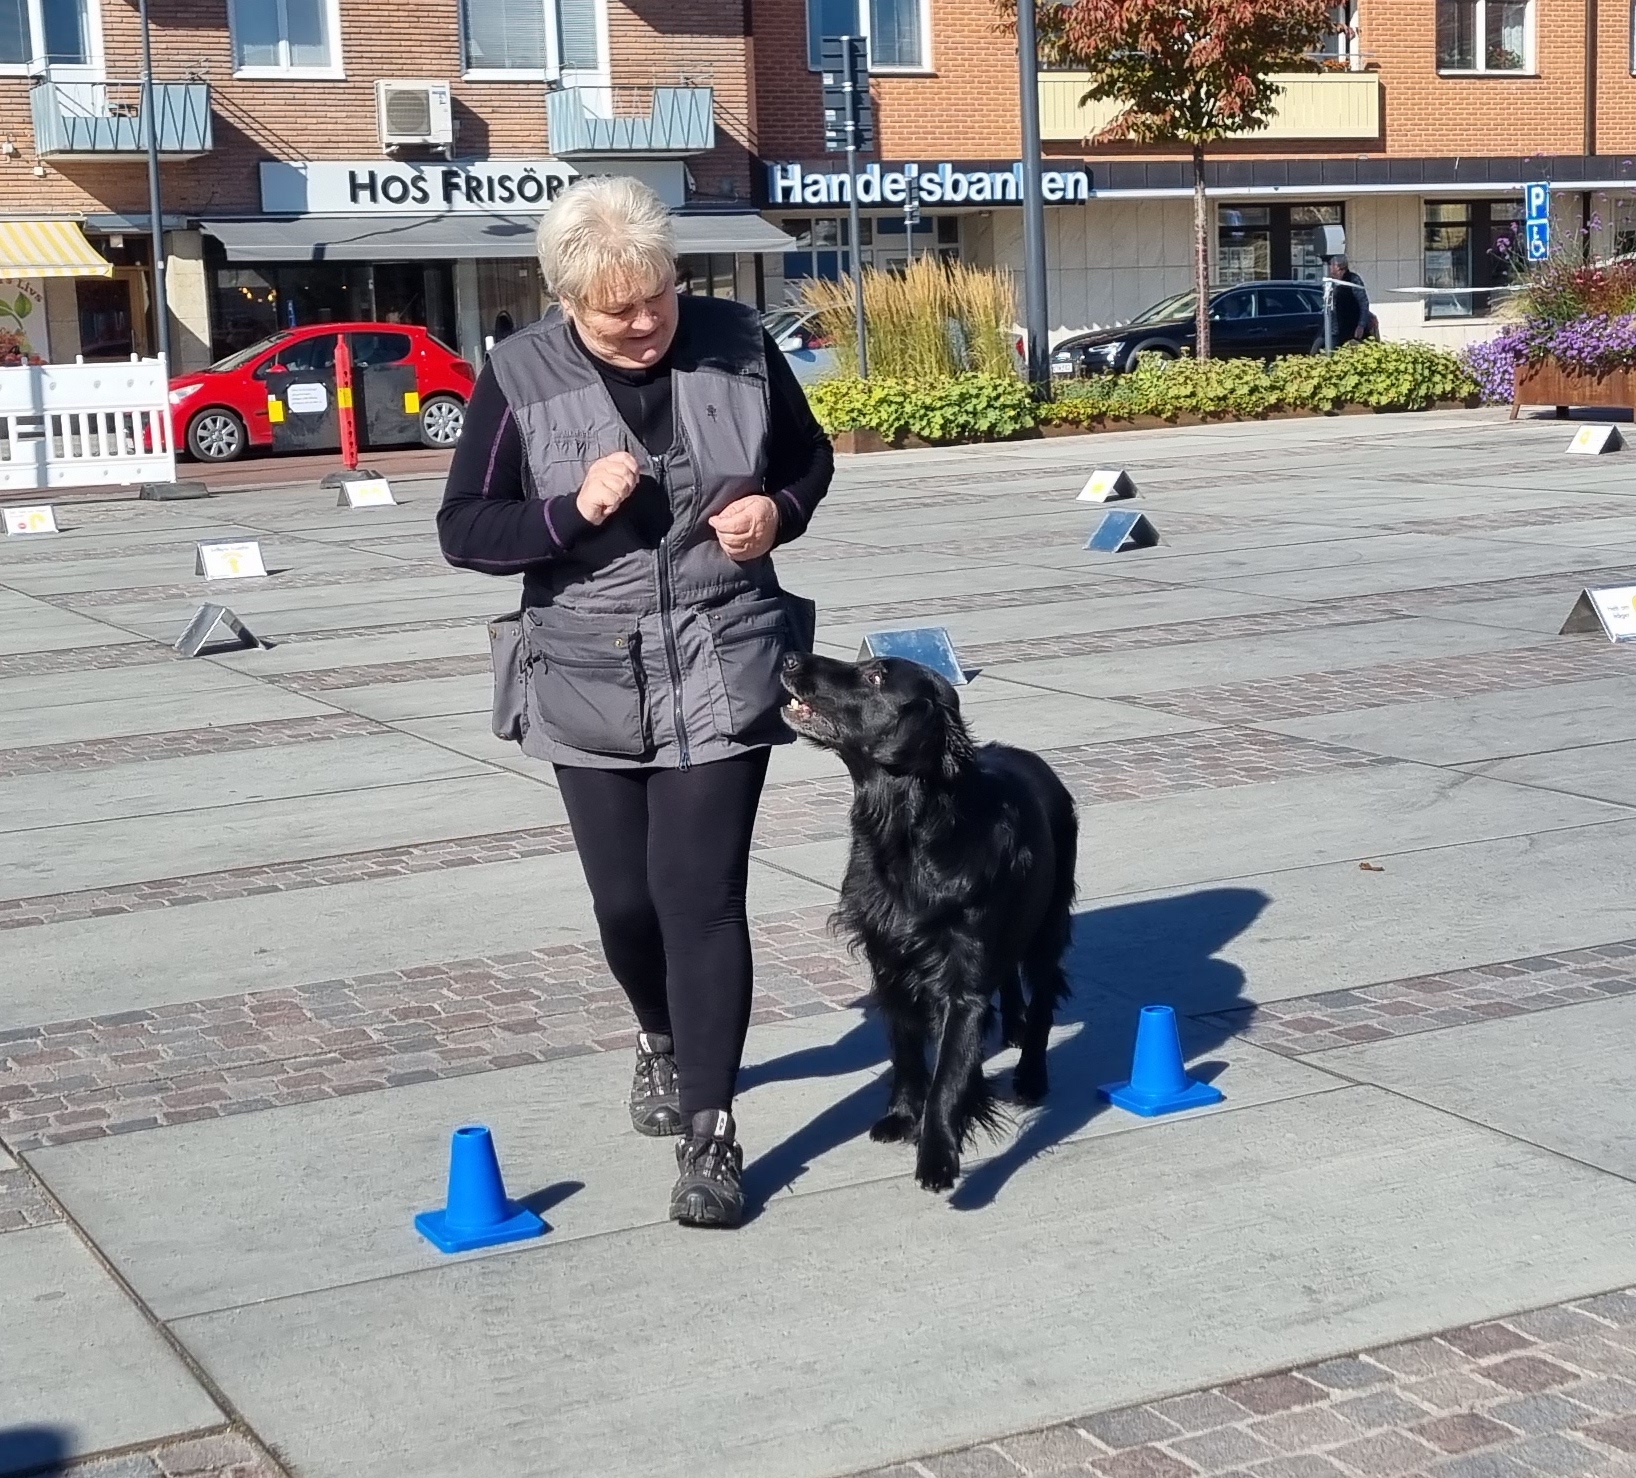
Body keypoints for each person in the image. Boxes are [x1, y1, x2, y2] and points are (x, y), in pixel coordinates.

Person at [437, 175, 834, 1229]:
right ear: (566, 298)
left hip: (724, 651)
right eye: (617, 309)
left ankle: (712, 1132)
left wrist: (774, 509)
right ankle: (659, 1038)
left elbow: (808, 458)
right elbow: (465, 528)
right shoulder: (517, 373)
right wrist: (570, 510)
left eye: (656, 296)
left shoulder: (737, 340)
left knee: (700, 896)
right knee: (628, 904)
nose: (645, 322)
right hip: (584, 672)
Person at [1326, 255, 1372, 344]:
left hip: (1351, 327)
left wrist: (1361, 325)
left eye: (1331, 265)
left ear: (1338, 267)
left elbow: (1363, 303)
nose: (1329, 267)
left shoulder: (1353, 280)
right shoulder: (1331, 282)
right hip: (1336, 329)